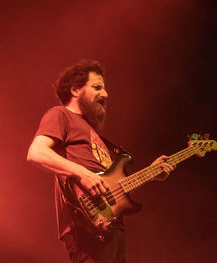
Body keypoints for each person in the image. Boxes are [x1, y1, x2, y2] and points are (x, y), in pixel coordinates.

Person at [27, 59, 174, 263]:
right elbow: (36, 152)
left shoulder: (92, 132)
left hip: (111, 224)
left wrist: (151, 173)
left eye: (104, 89)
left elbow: (112, 186)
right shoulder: (60, 115)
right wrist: (83, 173)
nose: (105, 94)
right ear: (76, 89)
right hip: (86, 226)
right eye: (97, 87)